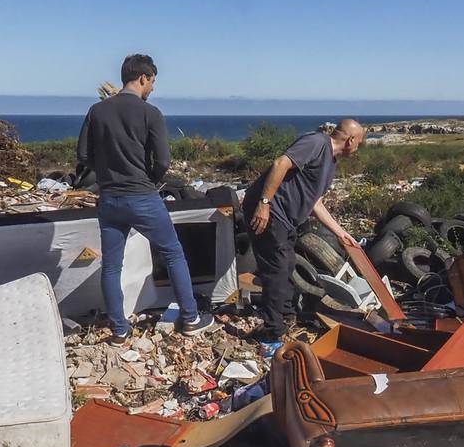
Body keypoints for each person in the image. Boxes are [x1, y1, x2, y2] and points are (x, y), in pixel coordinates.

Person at [76, 54, 215, 343]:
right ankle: (190, 318)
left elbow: (84, 156)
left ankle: (118, 330)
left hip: (110, 199)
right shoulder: (150, 113)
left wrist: (106, 175)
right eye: (152, 81)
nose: (152, 88)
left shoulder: (97, 111)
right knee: (173, 253)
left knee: (112, 266)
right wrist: (148, 180)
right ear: (143, 78)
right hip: (142, 196)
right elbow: (163, 160)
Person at [243, 119, 366, 342]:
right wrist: (264, 203)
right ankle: (272, 330)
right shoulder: (317, 143)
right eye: (360, 143)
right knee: (276, 268)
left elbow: (315, 204)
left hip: (286, 218)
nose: (359, 148)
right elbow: (280, 163)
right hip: (269, 210)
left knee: (288, 264)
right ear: (351, 140)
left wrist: (341, 233)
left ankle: (287, 314)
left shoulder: (331, 162)